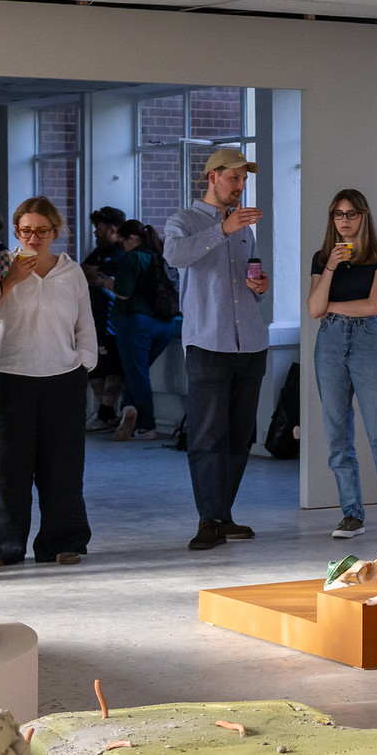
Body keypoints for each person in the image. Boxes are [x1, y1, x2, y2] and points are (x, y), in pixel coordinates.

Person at [164, 148, 271, 552]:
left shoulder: (245, 227)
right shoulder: (184, 221)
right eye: (234, 178)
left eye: (244, 179)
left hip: (251, 343)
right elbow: (175, 256)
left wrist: (259, 286)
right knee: (208, 436)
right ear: (213, 177)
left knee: (240, 437)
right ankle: (208, 519)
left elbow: (247, 279)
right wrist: (222, 230)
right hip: (208, 342)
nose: (240, 186)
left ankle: (224, 515)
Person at [308, 188, 377, 542]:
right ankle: (351, 515)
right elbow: (313, 309)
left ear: (363, 216)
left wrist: (331, 307)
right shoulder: (321, 258)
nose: (344, 220)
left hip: (366, 340)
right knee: (337, 435)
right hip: (329, 344)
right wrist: (330, 267)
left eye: (351, 214)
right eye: (338, 214)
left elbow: (373, 306)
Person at [0, 196, 97, 567]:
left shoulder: (72, 272)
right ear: (16, 231)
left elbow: (85, 324)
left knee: (63, 467)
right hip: (7, 376)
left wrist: (84, 363)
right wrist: (11, 279)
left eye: (42, 231)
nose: (33, 238)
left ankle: (62, 542)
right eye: (25, 231)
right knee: (8, 470)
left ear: (55, 231)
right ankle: (6, 545)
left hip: (63, 378)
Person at [109, 220, 181, 442]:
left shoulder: (133, 257)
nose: (122, 247)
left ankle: (147, 425)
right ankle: (128, 406)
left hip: (136, 322)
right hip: (166, 324)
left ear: (132, 238)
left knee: (137, 373)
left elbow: (123, 293)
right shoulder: (161, 256)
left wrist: (106, 282)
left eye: (122, 242)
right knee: (136, 371)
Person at [84, 206, 129, 430]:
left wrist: (96, 277)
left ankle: (106, 412)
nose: (95, 234)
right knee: (95, 366)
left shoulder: (121, 252)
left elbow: (97, 276)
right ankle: (105, 412)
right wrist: (95, 276)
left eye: (99, 229)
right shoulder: (98, 252)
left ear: (112, 229)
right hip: (95, 319)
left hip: (113, 321)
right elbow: (84, 272)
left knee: (113, 366)